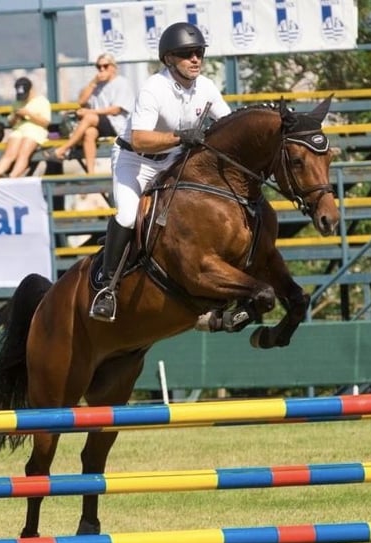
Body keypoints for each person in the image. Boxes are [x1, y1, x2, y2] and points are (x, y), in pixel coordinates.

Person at [89, 22, 232, 322]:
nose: (195, 59)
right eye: (186, 54)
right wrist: (181, 138)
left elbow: (229, 124)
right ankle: (107, 286)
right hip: (134, 160)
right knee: (128, 216)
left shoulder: (205, 87)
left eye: (199, 53)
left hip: (172, 160)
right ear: (169, 59)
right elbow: (139, 138)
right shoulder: (155, 87)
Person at [45, 53, 134, 174]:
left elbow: (116, 110)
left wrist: (90, 112)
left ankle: (64, 149)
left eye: (105, 66)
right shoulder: (97, 85)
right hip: (98, 124)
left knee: (89, 117)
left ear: (113, 67)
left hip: (117, 124)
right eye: (98, 67)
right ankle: (90, 173)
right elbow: (81, 101)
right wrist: (93, 82)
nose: (101, 69)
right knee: (89, 133)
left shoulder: (122, 82)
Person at [0, 77, 52, 179]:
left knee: (23, 153)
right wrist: (16, 117)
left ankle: (11, 176)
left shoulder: (42, 101)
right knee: (9, 154)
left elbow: (45, 122)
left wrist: (28, 114)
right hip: (19, 129)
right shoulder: (17, 103)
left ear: (30, 90)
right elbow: (11, 123)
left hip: (35, 130)